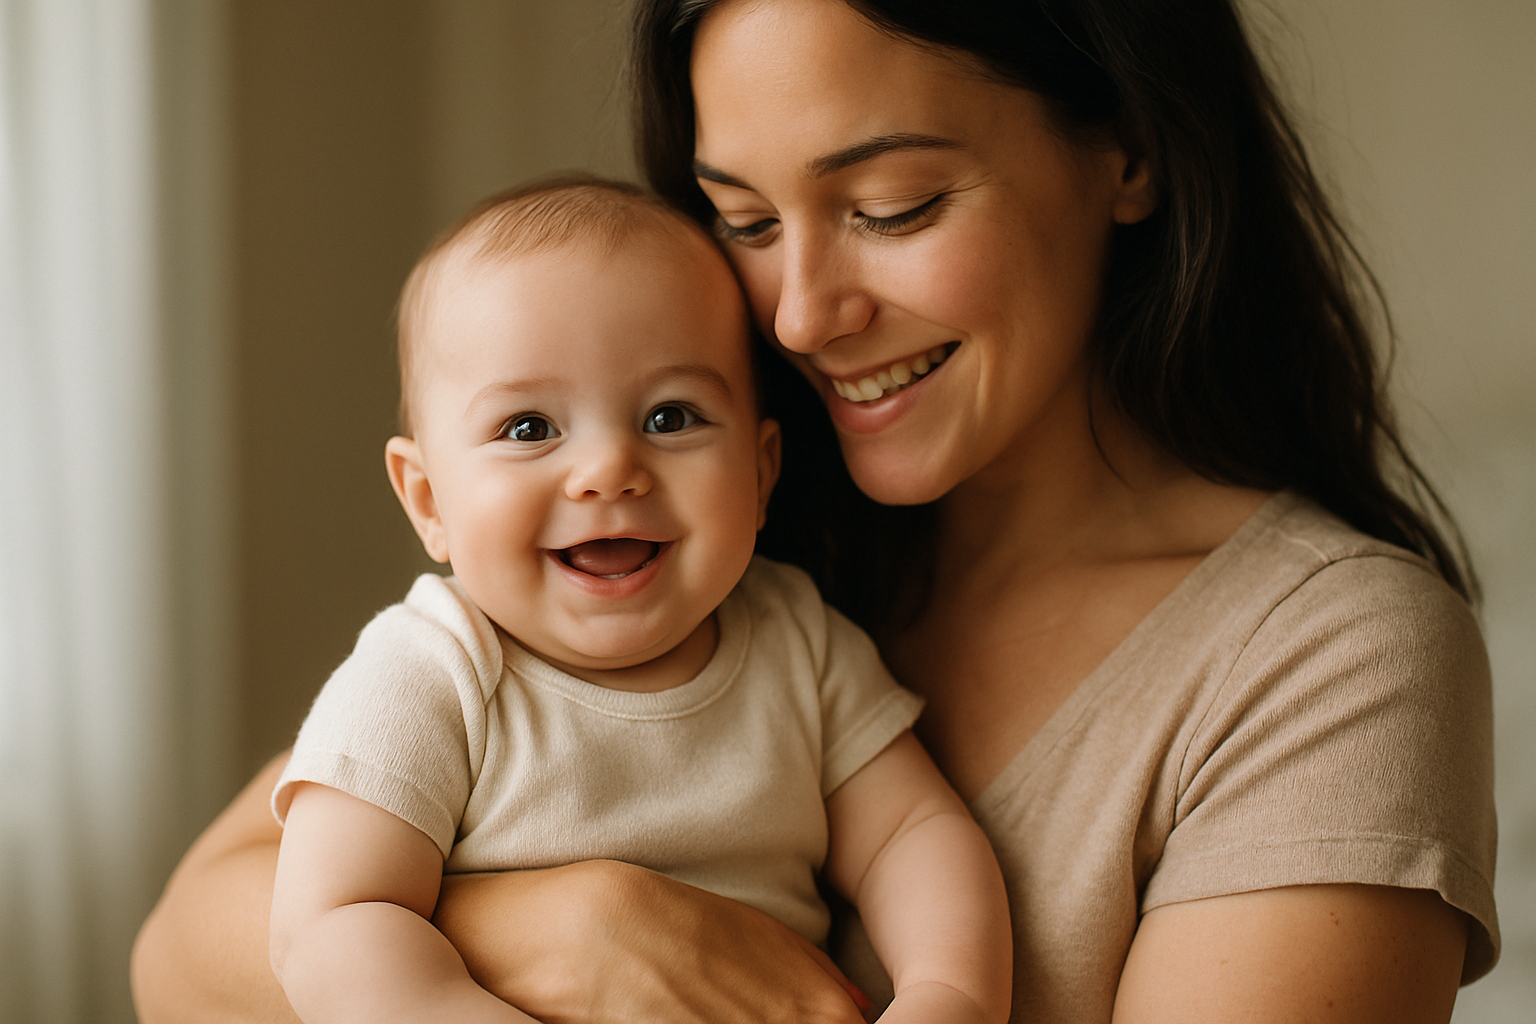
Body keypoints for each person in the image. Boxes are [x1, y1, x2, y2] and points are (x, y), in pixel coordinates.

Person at [131, 2, 1498, 1022]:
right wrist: (574, 928)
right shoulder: (677, 550)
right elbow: (183, 947)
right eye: (747, 220)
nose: (799, 315)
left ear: (1128, 151)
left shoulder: (1324, 656)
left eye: (893, 208)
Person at [265, 177, 1011, 1024]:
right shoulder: (430, 673)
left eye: (670, 417)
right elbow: (330, 925)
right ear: (430, 499)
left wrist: (949, 993)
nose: (609, 469)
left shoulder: (794, 639)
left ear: (762, 473)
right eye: (529, 428)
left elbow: (912, 836)